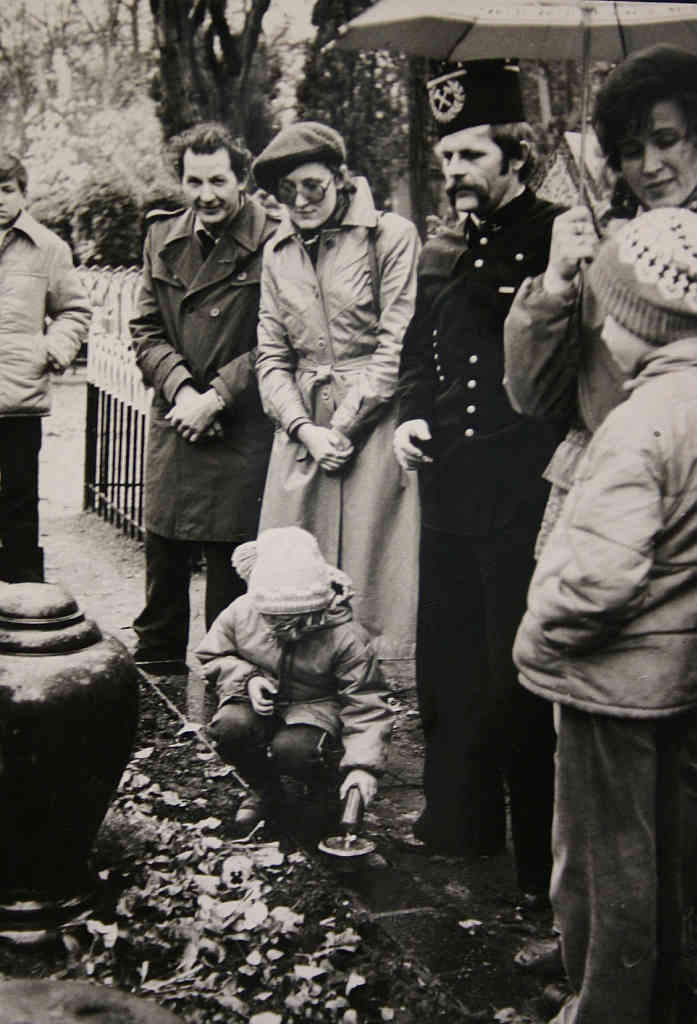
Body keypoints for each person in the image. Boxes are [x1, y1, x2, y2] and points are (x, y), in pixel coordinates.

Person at [513, 207, 697, 1024]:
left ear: (634, 323)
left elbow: (597, 580)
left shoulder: (635, 425)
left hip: (608, 687)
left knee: (603, 859)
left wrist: (538, 633)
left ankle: (603, 1009)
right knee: (668, 855)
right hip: (677, 674)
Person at [393, 60, 565, 900]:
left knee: (520, 679)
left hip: (524, 493)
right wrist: (409, 416)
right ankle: (457, 824)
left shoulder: (561, 235)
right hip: (448, 486)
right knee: (449, 663)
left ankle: (538, 867)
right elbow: (416, 353)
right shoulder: (442, 246)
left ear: (515, 156)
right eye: (447, 158)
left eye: (471, 156)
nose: (455, 173)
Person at [504, 44, 697, 551]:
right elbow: (534, 398)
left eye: (666, 140)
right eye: (632, 150)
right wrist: (556, 283)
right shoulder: (599, 249)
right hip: (599, 502)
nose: (650, 165)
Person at [251, 122, 420, 662]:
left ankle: (370, 700)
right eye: (287, 190)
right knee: (292, 576)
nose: (299, 200)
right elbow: (271, 354)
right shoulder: (277, 253)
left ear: (341, 179)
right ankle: (300, 693)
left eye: (313, 186)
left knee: (373, 580)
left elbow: (397, 343)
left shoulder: (389, 236)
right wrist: (303, 429)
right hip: (302, 430)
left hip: (370, 424)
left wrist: (341, 428)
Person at [130, 123, 277, 673]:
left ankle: (230, 690)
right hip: (177, 416)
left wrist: (217, 396)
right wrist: (183, 389)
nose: (206, 194)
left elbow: (281, 339)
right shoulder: (161, 238)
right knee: (164, 558)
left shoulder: (274, 240)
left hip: (240, 427)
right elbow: (145, 328)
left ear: (241, 178)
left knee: (229, 571)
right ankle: (153, 688)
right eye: (194, 181)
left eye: (218, 180)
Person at [197, 526, 394, 833]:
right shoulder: (242, 612)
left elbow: (366, 704)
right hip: (259, 702)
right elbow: (212, 657)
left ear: (317, 607)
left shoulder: (345, 636)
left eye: (295, 621)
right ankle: (265, 789)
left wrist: (363, 767)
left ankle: (325, 792)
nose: (283, 630)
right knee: (229, 728)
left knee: (297, 750)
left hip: (317, 708)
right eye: (271, 619)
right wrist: (248, 678)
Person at [0, 152, 91, 583]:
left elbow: (74, 310)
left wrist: (53, 348)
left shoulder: (48, 248)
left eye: (6, 190)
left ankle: (22, 598)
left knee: (18, 497)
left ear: (23, 194)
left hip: (18, 396)